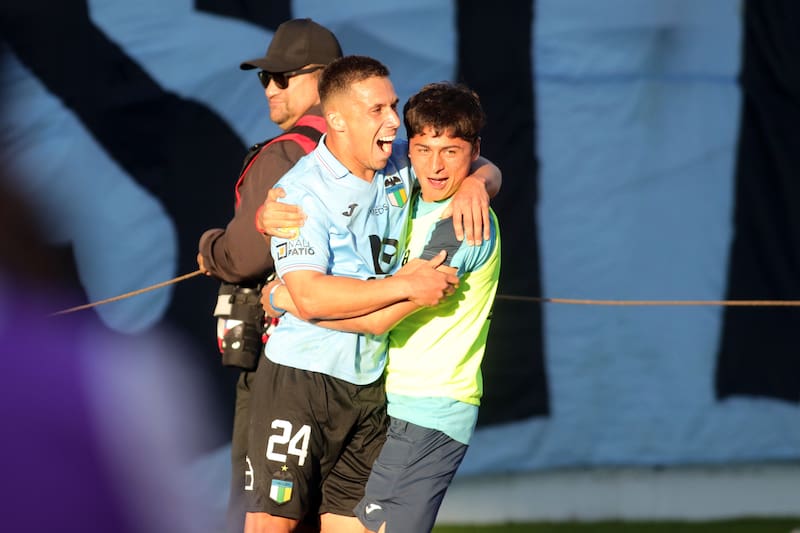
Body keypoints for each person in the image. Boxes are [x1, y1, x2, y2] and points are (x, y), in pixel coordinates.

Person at [244, 56, 501, 533]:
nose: (391, 121)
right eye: (376, 109)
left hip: (371, 387)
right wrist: (401, 284)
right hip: (302, 378)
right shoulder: (299, 193)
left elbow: (464, 154)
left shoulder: (403, 161)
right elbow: (313, 296)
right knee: (270, 523)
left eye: (393, 105)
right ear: (336, 119)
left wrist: (479, 185)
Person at [194, 18, 342, 533]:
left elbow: (247, 256)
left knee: (261, 513)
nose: (271, 88)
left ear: (326, 80)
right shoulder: (378, 148)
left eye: (283, 76)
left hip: (285, 366)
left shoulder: (285, 152)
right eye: (265, 78)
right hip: (358, 369)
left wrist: (212, 248)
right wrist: (484, 180)